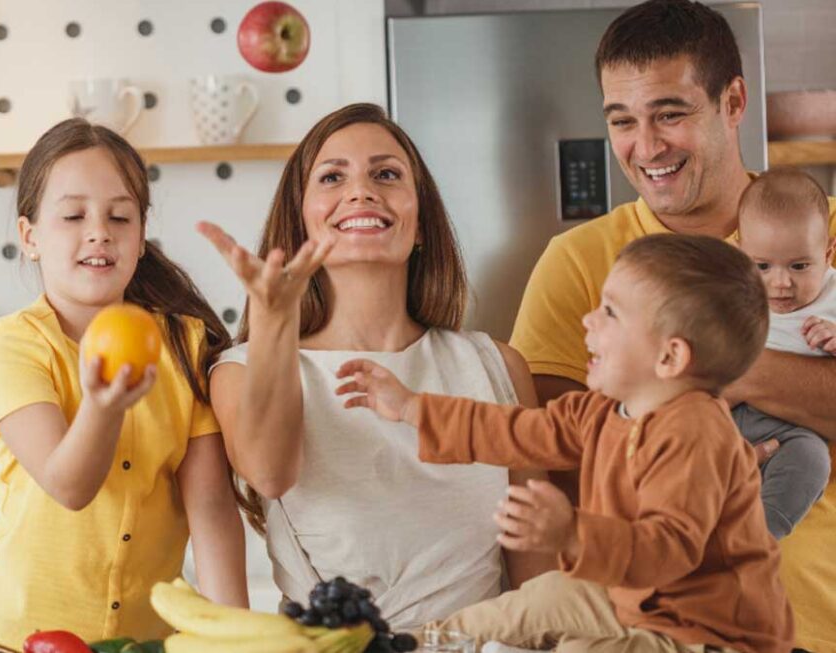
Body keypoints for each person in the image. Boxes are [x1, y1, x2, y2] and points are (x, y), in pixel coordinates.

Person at [506, 1, 836, 647]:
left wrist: (716, 376)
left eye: (671, 113)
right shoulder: (576, 261)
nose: (646, 147)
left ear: (733, 100)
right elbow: (556, 461)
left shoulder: (824, 235)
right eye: (623, 120)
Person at [339, 234, 793, 653]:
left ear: (669, 356)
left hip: (709, 634)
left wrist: (572, 531)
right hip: (628, 598)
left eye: (611, 312)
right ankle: (410, 645)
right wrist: (412, 407)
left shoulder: (696, 435)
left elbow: (666, 551)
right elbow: (512, 431)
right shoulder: (599, 412)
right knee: (528, 603)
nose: (588, 320)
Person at [199, 103, 554, 633]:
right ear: (301, 221)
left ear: (420, 225)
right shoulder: (242, 370)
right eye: (332, 177)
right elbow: (271, 473)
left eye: (386, 174)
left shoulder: (496, 367)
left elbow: (536, 583)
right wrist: (275, 321)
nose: (361, 191)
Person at [0, 118, 247, 648]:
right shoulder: (16, 346)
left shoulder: (186, 345)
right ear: (30, 238)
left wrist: (238, 636)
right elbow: (70, 485)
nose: (100, 231)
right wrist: (103, 404)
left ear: (141, 239)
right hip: (16, 637)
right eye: (73, 215)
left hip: (146, 642)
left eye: (121, 216)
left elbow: (210, 505)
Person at [733, 168, 836, 539]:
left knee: (812, 459)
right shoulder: (730, 289)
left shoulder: (833, 297)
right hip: (722, 414)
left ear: (827, 254)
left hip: (791, 429)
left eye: (799, 266)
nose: (780, 283)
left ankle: (761, 535)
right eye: (762, 266)